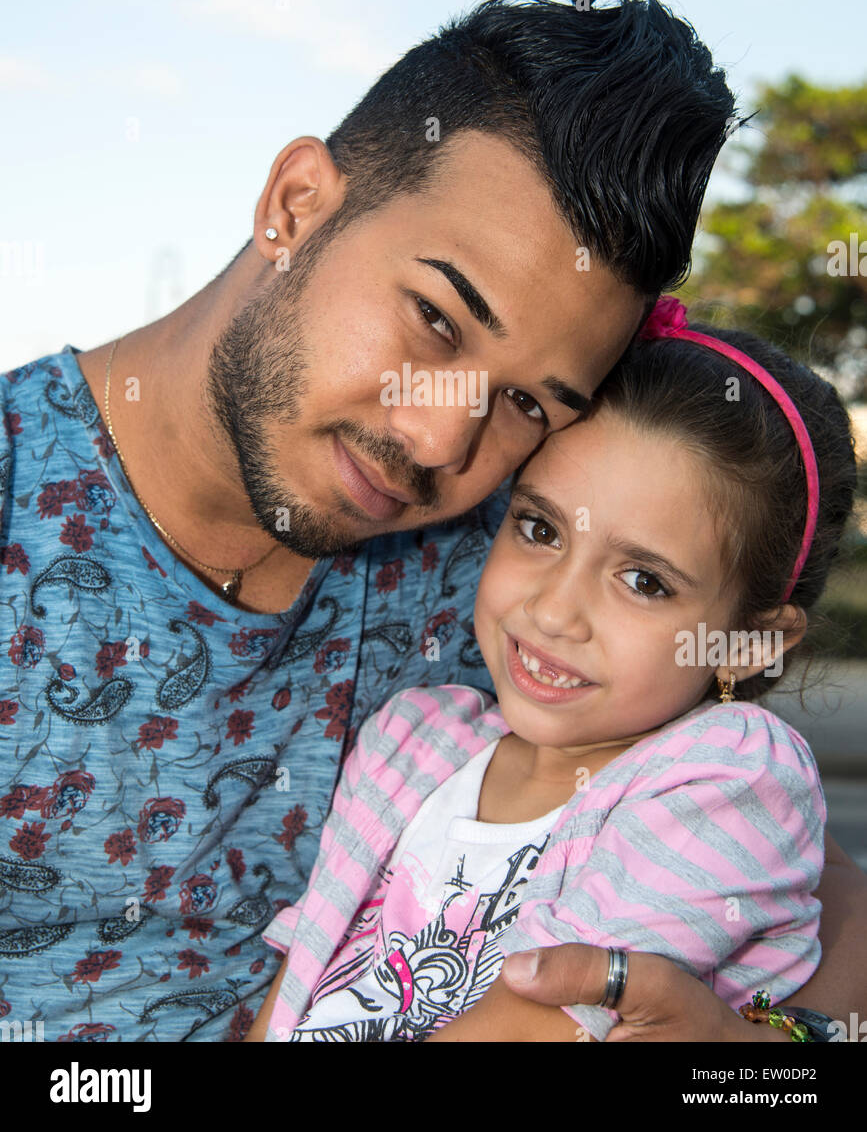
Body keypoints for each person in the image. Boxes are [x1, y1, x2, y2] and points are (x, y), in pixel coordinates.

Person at [1, 0, 864, 1042]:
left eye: (523, 404)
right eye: (437, 322)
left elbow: (822, 901)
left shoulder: (505, 561)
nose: (439, 442)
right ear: (295, 205)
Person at [245, 302, 856, 1041]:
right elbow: (294, 991)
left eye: (644, 582)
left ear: (748, 644)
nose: (554, 611)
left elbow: (534, 1028)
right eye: (539, 530)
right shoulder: (413, 741)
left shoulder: (726, 778)